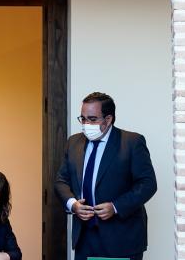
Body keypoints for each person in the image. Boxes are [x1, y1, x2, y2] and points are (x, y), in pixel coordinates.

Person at [55, 92, 157, 260]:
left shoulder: (132, 142)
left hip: (122, 238)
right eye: (83, 118)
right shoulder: (73, 142)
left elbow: (147, 184)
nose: (87, 124)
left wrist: (115, 207)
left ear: (108, 119)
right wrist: (73, 205)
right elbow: (61, 181)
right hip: (84, 238)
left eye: (92, 119)